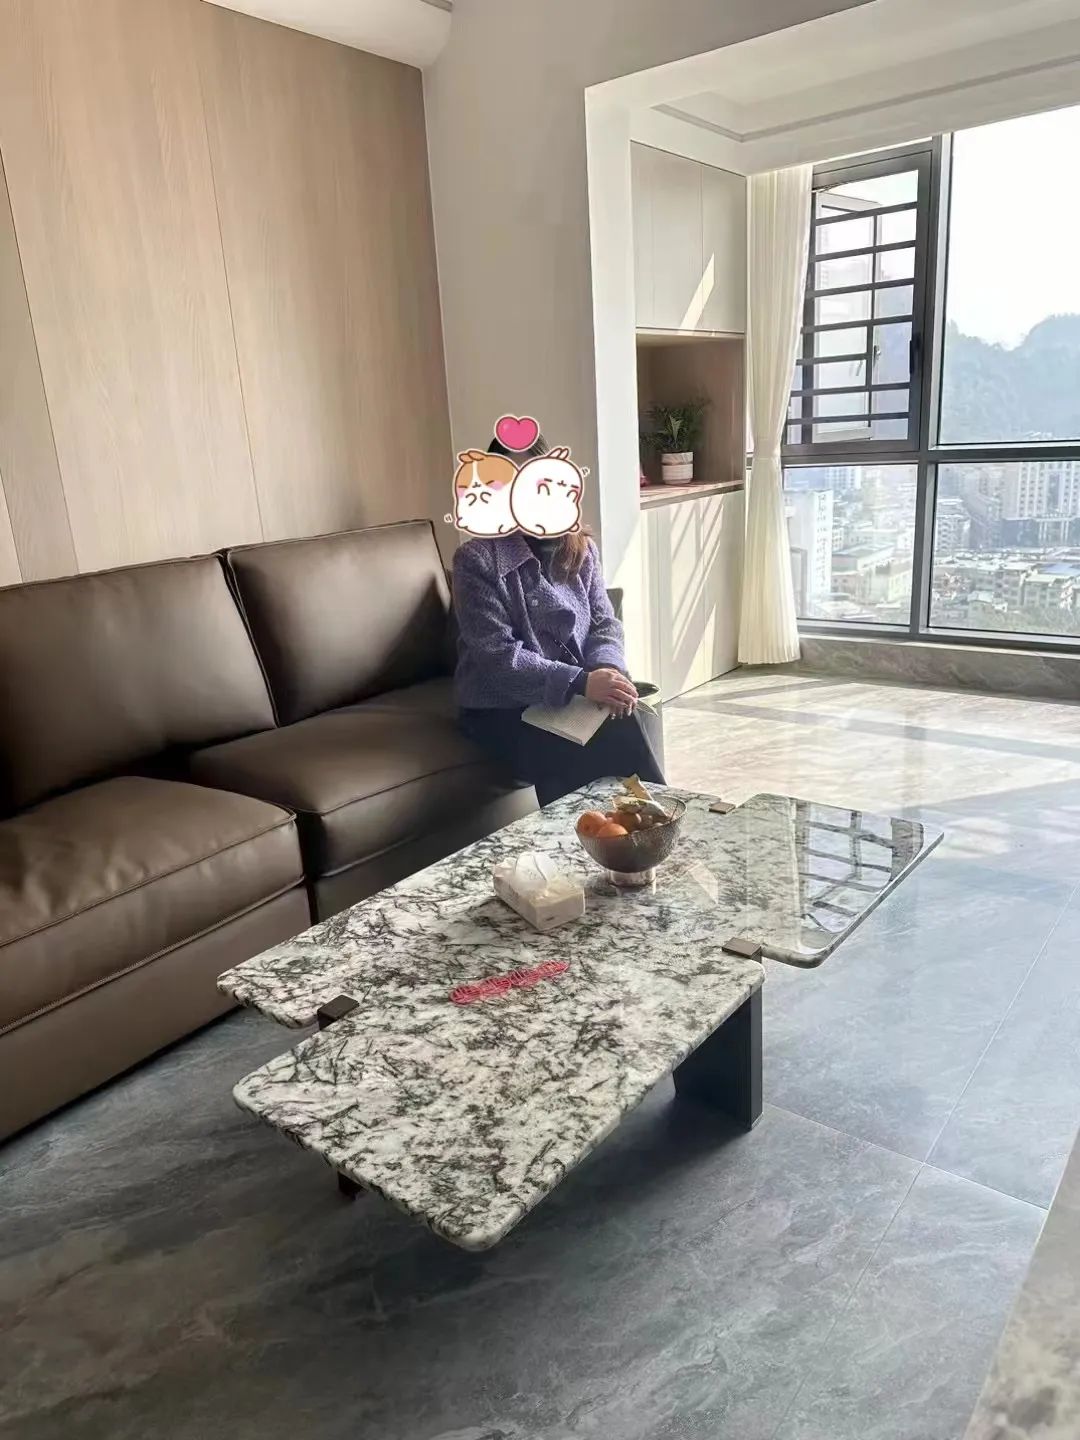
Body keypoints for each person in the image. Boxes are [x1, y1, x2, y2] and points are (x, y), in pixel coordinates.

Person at [453, 434, 665, 807]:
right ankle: (605, 832)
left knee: (623, 715)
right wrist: (582, 682)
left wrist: (607, 670)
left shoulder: (581, 549)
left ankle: (656, 822)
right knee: (574, 750)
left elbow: (604, 624)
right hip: (502, 708)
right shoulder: (476, 560)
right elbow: (499, 657)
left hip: (571, 699)